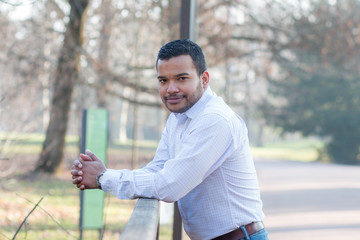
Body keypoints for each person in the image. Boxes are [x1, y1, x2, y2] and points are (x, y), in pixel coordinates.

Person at [71, 39, 268, 240]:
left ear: (204, 79)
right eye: (163, 80)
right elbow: (157, 169)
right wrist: (103, 175)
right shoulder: (178, 118)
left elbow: (170, 185)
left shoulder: (215, 120)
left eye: (181, 78)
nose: (170, 89)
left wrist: (104, 178)